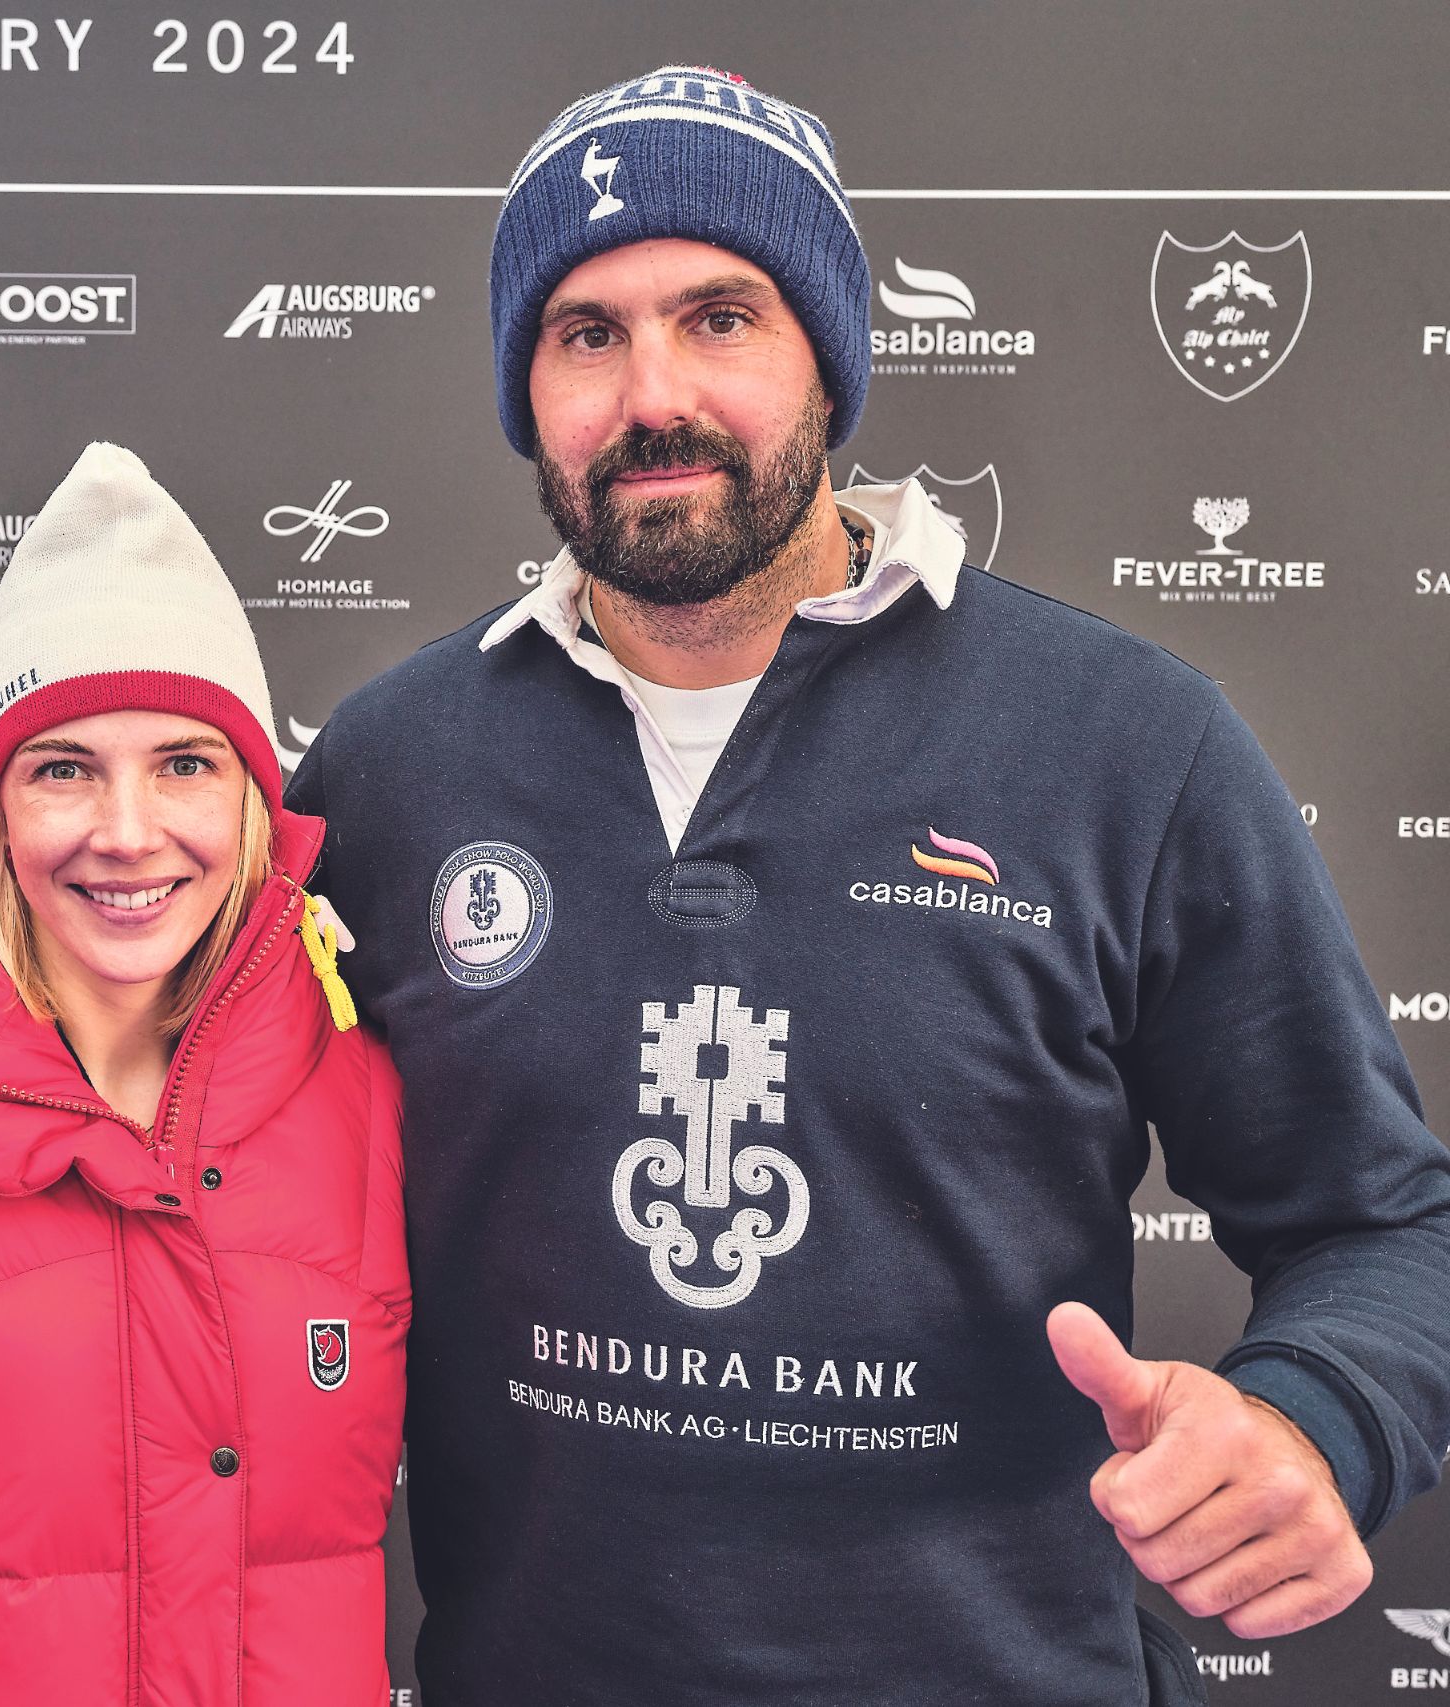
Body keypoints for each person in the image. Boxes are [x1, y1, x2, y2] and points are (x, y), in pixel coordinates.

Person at [286, 64, 1450, 1706]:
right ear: (525, 388)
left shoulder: (1121, 741)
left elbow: (1388, 1221)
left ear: (828, 354)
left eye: (721, 315)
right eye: (586, 333)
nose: (655, 395)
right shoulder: (388, 775)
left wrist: (1312, 1413)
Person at [0, 442, 408, 1706]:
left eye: (184, 763)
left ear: (256, 803)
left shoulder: (364, 1096)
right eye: (64, 769)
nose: (126, 832)